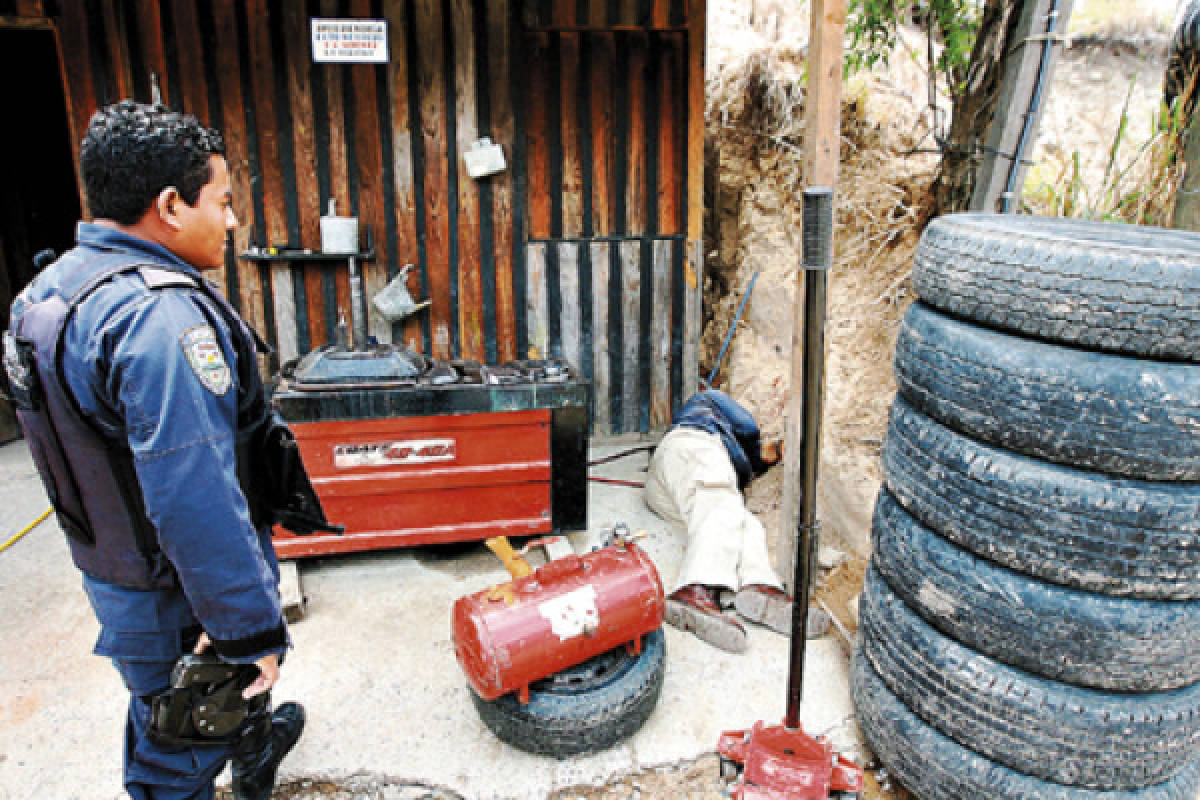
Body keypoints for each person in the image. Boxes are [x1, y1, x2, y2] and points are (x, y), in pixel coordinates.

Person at [3, 101, 303, 800]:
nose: (231, 222)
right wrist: (248, 627)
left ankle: (251, 745)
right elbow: (192, 496)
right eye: (223, 202)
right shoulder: (158, 320)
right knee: (177, 752)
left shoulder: (50, 290)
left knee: (178, 707)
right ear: (170, 205)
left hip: (117, 570)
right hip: (176, 591)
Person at [644, 389, 829, 653]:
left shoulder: (719, 454)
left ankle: (758, 584)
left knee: (746, 523)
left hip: (669, 485)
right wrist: (764, 449)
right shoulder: (707, 407)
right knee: (719, 503)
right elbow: (747, 427)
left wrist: (761, 460)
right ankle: (693, 589)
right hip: (691, 448)